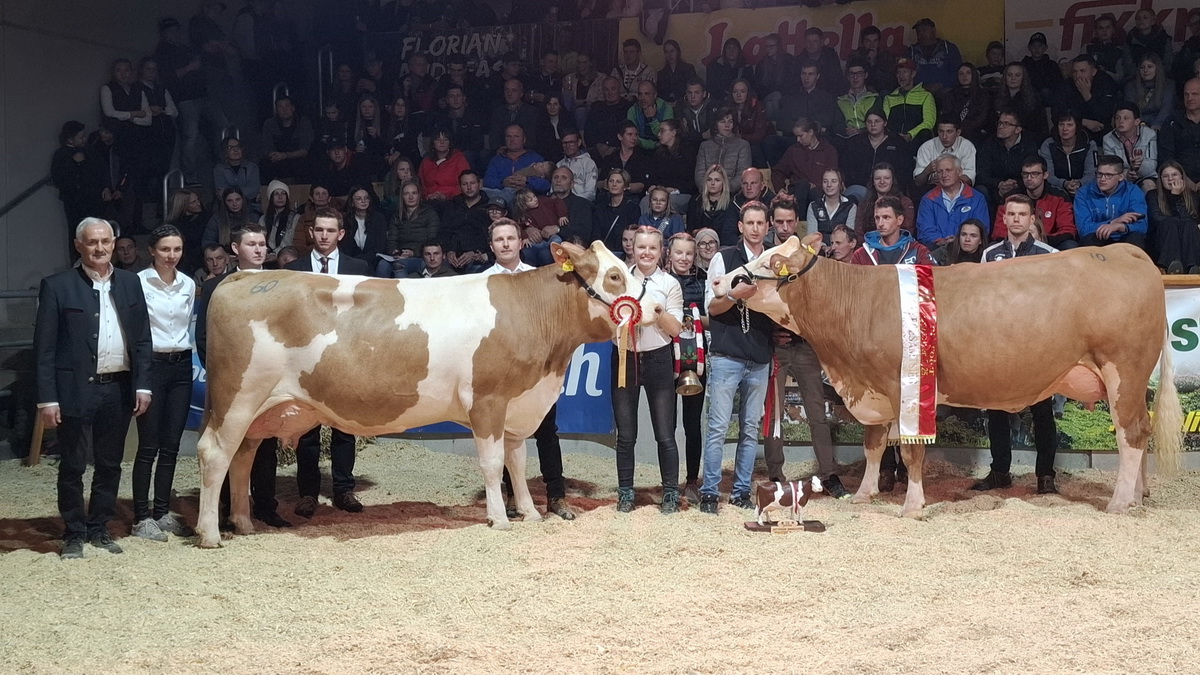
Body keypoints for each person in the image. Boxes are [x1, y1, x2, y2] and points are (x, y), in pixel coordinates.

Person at [35, 218, 152, 559]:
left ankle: (99, 527)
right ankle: (74, 532)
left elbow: (142, 340)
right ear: (79, 246)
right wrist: (47, 398)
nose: (99, 248)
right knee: (72, 465)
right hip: (74, 389)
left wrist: (143, 386)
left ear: (114, 243)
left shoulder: (130, 283)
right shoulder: (57, 286)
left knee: (110, 464)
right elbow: (44, 348)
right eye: (92, 242)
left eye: (105, 241)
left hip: (118, 388)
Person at [195, 224, 291, 529]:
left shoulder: (280, 283)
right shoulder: (217, 286)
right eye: (252, 244)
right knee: (228, 439)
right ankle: (226, 508)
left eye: (262, 244)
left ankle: (265, 505)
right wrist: (223, 371)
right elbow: (205, 337)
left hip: (271, 377)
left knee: (265, 444)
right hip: (233, 377)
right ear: (235, 249)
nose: (259, 249)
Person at [484, 219, 576, 521]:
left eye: (510, 238)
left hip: (538, 372)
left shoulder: (538, 279)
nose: (505, 244)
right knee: (504, 433)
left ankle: (556, 496)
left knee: (547, 431)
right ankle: (513, 496)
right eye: (499, 239)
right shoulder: (482, 283)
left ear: (520, 242)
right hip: (501, 374)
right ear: (491, 246)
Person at [283, 208, 371, 518]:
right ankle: (308, 493)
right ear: (311, 232)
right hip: (306, 359)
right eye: (319, 229)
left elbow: (366, 315)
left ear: (341, 234)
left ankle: (344, 489)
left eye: (330, 230)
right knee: (306, 428)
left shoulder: (358, 267)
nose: (324, 235)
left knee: (344, 426)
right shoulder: (292, 269)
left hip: (345, 357)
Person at [762, 199, 849, 498]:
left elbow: (821, 300)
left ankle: (829, 475)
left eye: (790, 222)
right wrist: (770, 331)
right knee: (774, 416)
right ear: (772, 223)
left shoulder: (809, 256)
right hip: (776, 347)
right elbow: (758, 300)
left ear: (797, 221)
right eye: (779, 222)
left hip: (805, 345)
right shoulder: (764, 257)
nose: (785, 227)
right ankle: (776, 476)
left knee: (817, 414)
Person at [974, 194, 1060, 495]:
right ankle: (1000, 472)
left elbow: (1057, 301)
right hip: (999, 344)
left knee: (1042, 410)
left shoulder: (1049, 254)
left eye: (1022, 214)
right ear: (1004, 218)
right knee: (996, 410)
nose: (1016, 219)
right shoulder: (990, 254)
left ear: (1032, 218)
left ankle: (1045, 475)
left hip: (1036, 345)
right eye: (1011, 214)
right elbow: (981, 298)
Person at [850, 196, 934, 489]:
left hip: (911, 339)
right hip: (874, 342)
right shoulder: (862, 255)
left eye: (886, 217)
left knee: (910, 400)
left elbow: (930, 292)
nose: (881, 223)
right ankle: (885, 468)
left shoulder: (918, 251)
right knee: (880, 403)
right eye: (877, 218)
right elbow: (853, 295)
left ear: (900, 220)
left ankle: (907, 467)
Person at [696, 202, 773, 515]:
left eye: (760, 223)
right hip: (727, 354)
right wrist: (732, 295)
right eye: (749, 223)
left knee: (750, 429)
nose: (755, 228)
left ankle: (741, 492)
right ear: (740, 227)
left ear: (767, 226)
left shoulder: (773, 261)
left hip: (760, 355)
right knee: (717, 427)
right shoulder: (724, 258)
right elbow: (711, 308)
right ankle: (710, 493)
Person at [611, 227, 684, 513]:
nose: (646, 253)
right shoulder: (619, 280)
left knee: (665, 433)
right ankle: (625, 492)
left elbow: (675, 329)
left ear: (661, 251)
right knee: (626, 434)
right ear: (632, 248)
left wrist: (657, 311)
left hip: (658, 359)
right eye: (641, 247)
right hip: (624, 358)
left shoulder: (670, 284)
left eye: (653, 248)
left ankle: (670, 492)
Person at [129, 225, 195, 542]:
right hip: (151, 365)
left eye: (177, 249)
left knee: (171, 446)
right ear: (152, 251)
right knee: (148, 446)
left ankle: (161, 511)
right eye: (165, 249)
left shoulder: (188, 283)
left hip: (181, 366)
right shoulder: (138, 282)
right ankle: (141, 517)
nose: (172, 255)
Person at [665, 232, 707, 503]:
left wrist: (696, 320)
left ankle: (692, 481)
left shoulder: (703, 283)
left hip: (696, 362)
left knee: (692, 425)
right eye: (679, 253)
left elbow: (712, 319)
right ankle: (669, 483)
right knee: (667, 426)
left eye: (689, 253)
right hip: (666, 361)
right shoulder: (660, 282)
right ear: (669, 254)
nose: (684, 258)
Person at [992, 156, 1079, 249]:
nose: (1029, 178)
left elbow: (1068, 230)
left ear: (1045, 175)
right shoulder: (1010, 198)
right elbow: (998, 232)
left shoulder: (1059, 197)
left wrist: (1041, 240)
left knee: (1070, 245)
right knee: (993, 246)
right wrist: (1022, 239)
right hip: (1015, 245)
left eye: (1034, 174)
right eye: (1025, 174)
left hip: (1050, 244)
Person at [769, 64, 844, 166]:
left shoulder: (827, 98)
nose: (806, 77)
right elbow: (781, 122)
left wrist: (819, 130)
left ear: (817, 76)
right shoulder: (791, 98)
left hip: (822, 139)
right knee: (770, 142)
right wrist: (801, 130)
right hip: (796, 139)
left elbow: (838, 122)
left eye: (810, 74)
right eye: (803, 74)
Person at [1074, 154, 1150, 248]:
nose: (1102, 179)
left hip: (1124, 236)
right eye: (1099, 174)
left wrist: (1121, 226)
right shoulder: (1083, 193)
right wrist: (1113, 222)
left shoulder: (1133, 191)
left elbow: (1142, 226)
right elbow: (1083, 230)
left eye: (1108, 175)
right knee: (1090, 239)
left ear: (1121, 177)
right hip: (1099, 238)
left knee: (1136, 237)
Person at [916, 154, 990, 248]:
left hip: (968, 251)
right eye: (940, 171)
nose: (944, 175)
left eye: (948, 170)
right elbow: (925, 231)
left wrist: (958, 241)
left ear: (959, 172)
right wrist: (942, 242)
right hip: (937, 250)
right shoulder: (928, 199)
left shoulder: (976, 198)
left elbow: (982, 229)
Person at [52, 121, 102, 257]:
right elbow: (57, 177)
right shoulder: (61, 154)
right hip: (73, 200)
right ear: (70, 139)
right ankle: (76, 259)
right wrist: (72, 163)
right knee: (76, 230)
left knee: (92, 229)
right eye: (81, 137)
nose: (84, 139)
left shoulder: (89, 151)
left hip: (91, 198)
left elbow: (98, 172)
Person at [770, 118, 837, 213]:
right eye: (796, 136)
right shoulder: (793, 151)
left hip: (820, 193)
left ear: (811, 132)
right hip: (798, 192)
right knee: (802, 185)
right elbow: (778, 171)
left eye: (801, 136)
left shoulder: (829, 151)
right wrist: (780, 188)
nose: (798, 140)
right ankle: (799, 218)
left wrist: (817, 185)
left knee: (815, 192)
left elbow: (833, 175)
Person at [842, 111, 913, 195]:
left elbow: (906, 169)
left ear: (885, 123)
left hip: (890, 189)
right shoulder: (855, 142)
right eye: (869, 122)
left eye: (877, 121)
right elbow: (846, 168)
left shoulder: (897, 142)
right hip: (861, 188)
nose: (873, 125)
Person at [1147, 160, 1200, 272]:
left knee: (1189, 225)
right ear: (1160, 179)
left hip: (1186, 238)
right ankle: (1171, 265)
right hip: (1161, 240)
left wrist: (1177, 197)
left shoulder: (1192, 196)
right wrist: (1174, 196)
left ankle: (1192, 266)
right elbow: (1156, 219)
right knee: (1169, 223)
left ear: (1182, 177)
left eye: (1174, 175)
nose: (1170, 179)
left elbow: (1192, 219)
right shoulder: (1152, 195)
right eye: (1165, 176)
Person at [977, 110, 1040, 204]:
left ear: (1018, 129)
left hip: (1019, 187)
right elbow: (982, 175)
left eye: (1006, 124)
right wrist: (999, 184)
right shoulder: (989, 143)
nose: (1000, 127)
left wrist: (1014, 184)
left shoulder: (1029, 145)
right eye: (1000, 123)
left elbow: (1032, 172)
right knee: (980, 190)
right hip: (994, 188)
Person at [483, 124, 550, 206]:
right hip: (501, 202)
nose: (512, 139)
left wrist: (527, 181)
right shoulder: (497, 160)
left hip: (527, 202)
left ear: (524, 139)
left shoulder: (535, 158)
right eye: (509, 136)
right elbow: (487, 181)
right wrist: (503, 182)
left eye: (516, 136)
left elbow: (546, 184)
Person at [1054, 55, 1120, 137]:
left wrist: (1087, 96)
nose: (1078, 75)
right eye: (1075, 71)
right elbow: (1056, 115)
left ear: (1094, 72)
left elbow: (1105, 116)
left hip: (1099, 130)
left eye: (1082, 71)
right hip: (1073, 130)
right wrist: (1082, 121)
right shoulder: (1066, 86)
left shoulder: (1105, 83)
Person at [1039, 111, 1098, 199]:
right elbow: (1048, 174)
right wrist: (1064, 183)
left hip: (1084, 189)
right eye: (1061, 125)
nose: (1064, 129)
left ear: (1077, 127)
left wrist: (1079, 183)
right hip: (1055, 190)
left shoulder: (1089, 144)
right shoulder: (1048, 144)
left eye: (1069, 125)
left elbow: (1091, 173)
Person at [383, 182, 437, 276]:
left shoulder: (430, 214)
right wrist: (394, 251)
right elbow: (391, 240)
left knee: (399, 265)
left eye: (414, 193)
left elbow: (432, 240)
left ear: (419, 195)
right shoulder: (396, 216)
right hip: (400, 255)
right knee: (382, 265)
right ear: (402, 197)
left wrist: (413, 253)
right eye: (406, 194)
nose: (410, 197)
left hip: (420, 256)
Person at [443, 171, 492, 273]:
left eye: (472, 183)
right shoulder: (452, 205)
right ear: (460, 187)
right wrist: (449, 251)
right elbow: (444, 231)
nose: (469, 187)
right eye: (465, 184)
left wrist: (474, 253)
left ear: (479, 184)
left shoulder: (490, 206)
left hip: (477, 257)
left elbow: (490, 235)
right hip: (453, 257)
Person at [1103, 103, 1159, 192]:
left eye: (1126, 118)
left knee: (1149, 185)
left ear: (1137, 121)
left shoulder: (1149, 135)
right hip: (1120, 178)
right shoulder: (1108, 139)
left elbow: (1151, 166)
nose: (1121, 121)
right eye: (1117, 118)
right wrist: (1126, 175)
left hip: (1145, 176)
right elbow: (1110, 167)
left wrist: (1139, 167)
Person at [884, 58, 936, 147]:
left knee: (925, 133)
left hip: (916, 142)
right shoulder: (889, 98)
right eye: (898, 72)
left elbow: (929, 122)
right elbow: (884, 122)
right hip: (894, 141)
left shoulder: (925, 96)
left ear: (913, 74)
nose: (901, 76)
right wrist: (897, 137)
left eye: (905, 72)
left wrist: (910, 135)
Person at [260, 96, 314, 182]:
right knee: (264, 165)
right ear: (276, 110)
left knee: (307, 164)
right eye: (280, 107)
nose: (284, 109)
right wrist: (273, 155)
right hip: (277, 161)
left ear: (293, 108)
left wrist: (285, 155)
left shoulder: (303, 122)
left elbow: (305, 150)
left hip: (298, 159)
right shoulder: (269, 124)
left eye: (287, 106)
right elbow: (267, 148)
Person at [914, 117, 978, 189]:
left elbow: (969, 178)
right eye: (941, 131)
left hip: (959, 189)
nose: (944, 136)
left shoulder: (967, 146)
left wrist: (945, 179)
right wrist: (927, 171)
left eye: (949, 132)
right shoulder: (926, 147)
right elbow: (918, 182)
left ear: (958, 132)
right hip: (931, 188)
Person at [994, 62, 1049, 143]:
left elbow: (1040, 126)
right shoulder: (995, 96)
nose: (1013, 78)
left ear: (1023, 77)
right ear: (1005, 77)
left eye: (1017, 75)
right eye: (1009, 75)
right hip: (999, 141)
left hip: (1027, 140)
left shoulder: (1034, 98)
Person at [1158, 78, 1200, 183]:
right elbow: (1166, 157)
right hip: (1178, 180)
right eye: (1186, 94)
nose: (1189, 98)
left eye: (1194, 94)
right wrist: (1184, 180)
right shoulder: (1172, 122)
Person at [597, 121, 653, 198]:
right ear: (620, 137)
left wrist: (621, 186)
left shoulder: (644, 159)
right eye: (630, 134)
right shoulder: (610, 158)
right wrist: (604, 184)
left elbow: (642, 185)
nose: (634, 138)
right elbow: (599, 183)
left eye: (636, 135)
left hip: (633, 198)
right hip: (609, 197)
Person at [687, 165, 739, 245]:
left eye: (717, 180)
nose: (712, 183)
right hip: (700, 244)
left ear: (723, 183)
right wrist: (697, 232)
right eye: (709, 180)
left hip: (724, 245)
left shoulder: (732, 203)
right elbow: (690, 229)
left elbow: (730, 232)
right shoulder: (695, 201)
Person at [511, 188, 565, 267]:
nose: (535, 199)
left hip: (551, 237)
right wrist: (525, 237)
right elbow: (518, 227)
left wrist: (562, 215)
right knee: (527, 252)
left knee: (557, 240)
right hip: (536, 242)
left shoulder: (543, 202)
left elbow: (557, 201)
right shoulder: (523, 216)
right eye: (530, 200)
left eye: (534, 196)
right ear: (524, 205)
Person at [907, 18, 962, 93]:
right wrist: (920, 87)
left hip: (946, 94)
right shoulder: (911, 51)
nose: (920, 33)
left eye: (923, 30)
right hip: (919, 94)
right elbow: (904, 74)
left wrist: (942, 85)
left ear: (933, 30)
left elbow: (957, 72)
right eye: (918, 31)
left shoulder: (948, 48)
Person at [593, 168, 642, 254]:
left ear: (625, 186)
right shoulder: (600, 207)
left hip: (623, 253)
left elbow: (632, 234)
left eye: (618, 182)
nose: (614, 184)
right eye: (611, 181)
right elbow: (595, 234)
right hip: (603, 253)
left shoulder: (632, 208)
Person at [941, 63, 991, 143]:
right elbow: (947, 115)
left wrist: (964, 128)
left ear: (974, 75)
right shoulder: (950, 95)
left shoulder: (983, 95)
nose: (964, 76)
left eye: (968, 73)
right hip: (953, 132)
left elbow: (982, 118)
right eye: (961, 74)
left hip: (975, 132)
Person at [488, 78, 540, 153]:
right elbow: (493, 138)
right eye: (507, 90)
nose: (509, 93)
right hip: (502, 153)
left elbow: (532, 139)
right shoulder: (498, 112)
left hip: (525, 152)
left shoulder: (532, 112)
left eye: (514, 90)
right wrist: (500, 149)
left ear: (521, 94)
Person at [837, 57, 883, 142]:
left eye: (859, 73)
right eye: (852, 74)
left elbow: (879, 123)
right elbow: (837, 124)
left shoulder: (874, 98)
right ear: (848, 77)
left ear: (866, 75)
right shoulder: (840, 101)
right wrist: (846, 130)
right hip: (847, 140)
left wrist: (861, 131)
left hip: (870, 140)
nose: (855, 77)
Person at [1127, 54, 1177, 131]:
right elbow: (1131, 109)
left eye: (1150, 67)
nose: (1145, 70)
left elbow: (1167, 108)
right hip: (1137, 126)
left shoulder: (1169, 85)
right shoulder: (1131, 86)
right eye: (1142, 67)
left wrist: (1157, 125)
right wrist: (1142, 125)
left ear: (1157, 68)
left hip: (1162, 126)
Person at [166, 188, 210, 275]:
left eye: (198, 199)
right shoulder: (174, 226)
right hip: (182, 263)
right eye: (193, 202)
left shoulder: (205, 219)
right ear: (183, 205)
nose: (198, 203)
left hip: (201, 260)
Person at [419, 129, 471, 202]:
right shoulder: (425, 162)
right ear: (433, 144)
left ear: (450, 143)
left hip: (454, 201)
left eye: (445, 139)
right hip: (429, 201)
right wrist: (428, 196)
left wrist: (445, 196)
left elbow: (465, 185)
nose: (442, 142)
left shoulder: (459, 159)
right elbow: (420, 185)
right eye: (438, 139)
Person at [587, 77, 633, 159]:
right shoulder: (597, 108)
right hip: (598, 149)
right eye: (606, 89)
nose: (610, 93)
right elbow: (589, 132)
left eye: (613, 89)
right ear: (602, 91)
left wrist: (613, 148)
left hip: (620, 149)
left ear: (619, 89)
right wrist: (599, 145)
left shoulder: (628, 107)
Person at [213, 137, 262, 214]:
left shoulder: (252, 167)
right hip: (226, 209)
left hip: (251, 208)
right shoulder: (219, 169)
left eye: (238, 146)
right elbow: (221, 192)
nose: (236, 149)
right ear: (224, 152)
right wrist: (243, 192)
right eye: (230, 147)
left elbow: (254, 190)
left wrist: (230, 193)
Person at [726, 79, 770, 165]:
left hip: (754, 143)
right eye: (735, 92)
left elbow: (758, 135)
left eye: (742, 91)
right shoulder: (726, 107)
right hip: (732, 141)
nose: (738, 95)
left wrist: (740, 137)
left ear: (748, 93)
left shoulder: (758, 107)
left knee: (753, 150)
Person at [807, 169, 857, 244]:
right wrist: (823, 247)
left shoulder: (850, 207)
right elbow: (812, 237)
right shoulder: (813, 206)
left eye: (833, 181)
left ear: (841, 184)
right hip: (818, 248)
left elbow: (848, 237)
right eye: (825, 181)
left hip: (842, 248)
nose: (829, 185)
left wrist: (834, 246)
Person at [754, 33, 795, 118]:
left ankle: (773, 124)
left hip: (785, 96)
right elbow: (758, 87)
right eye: (766, 46)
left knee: (770, 104)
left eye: (771, 46)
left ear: (778, 46)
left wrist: (780, 93)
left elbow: (791, 83)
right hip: (767, 96)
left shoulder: (789, 61)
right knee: (775, 97)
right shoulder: (761, 65)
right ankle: (780, 123)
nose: (768, 49)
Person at [548, 166, 593, 245]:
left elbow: (584, 232)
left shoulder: (583, 205)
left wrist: (559, 230)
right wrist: (529, 230)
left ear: (572, 184)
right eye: (555, 177)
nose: (558, 180)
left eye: (564, 178)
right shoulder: (541, 202)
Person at [797, 26, 848, 95]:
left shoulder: (831, 59)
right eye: (808, 41)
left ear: (821, 43)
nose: (811, 45)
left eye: (815, 41)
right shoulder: (799, 60)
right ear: (804, 43)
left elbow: (837, 84)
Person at [1086, 13, 1133, 84]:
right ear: (1095, 31)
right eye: (1101, 28)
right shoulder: (1087, 48)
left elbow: (1120, 77)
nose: (1104, 31)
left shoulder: (1119, 50)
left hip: (1111, 86)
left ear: (1113, 30)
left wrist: (1104, 72)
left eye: (1107, 27)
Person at [259, 180, 299, 262]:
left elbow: (293, 244)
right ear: (271, 197)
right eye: (276, 194)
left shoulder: (295, 218)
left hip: (286, 258)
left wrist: (276, 255)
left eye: (283, 193)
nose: (280, 197)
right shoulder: (263, 219)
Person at [628, 81, 674, 152]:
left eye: (646, 94)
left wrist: (652, 120)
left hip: (663, 149)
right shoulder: (632, 111)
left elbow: (666, 137)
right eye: (640, 94)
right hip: (640, 149)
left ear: (655, 95)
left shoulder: (666, 109)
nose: (642, 98)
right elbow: (632, 138)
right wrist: (653, 145)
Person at [675, 78, 719, 147]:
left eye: (697, 93)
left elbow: (712, 133)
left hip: (711, 145)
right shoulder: (681, 107)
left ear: (704, 94)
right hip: (689, 146)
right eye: (689, 93)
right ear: (686, 93)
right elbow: (682, 134)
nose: (693, 96)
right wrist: (702, 136)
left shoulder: (713, 106)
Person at [1022, 33, 1063, 103]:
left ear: (1045, 48)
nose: (1036, 49)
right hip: (1028, 98)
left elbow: (1058, 85)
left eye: (1040, 46)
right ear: (1029, 48)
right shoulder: (1024, 64)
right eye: (1033, 46)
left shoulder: (1052, 65)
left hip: (1047, 100)